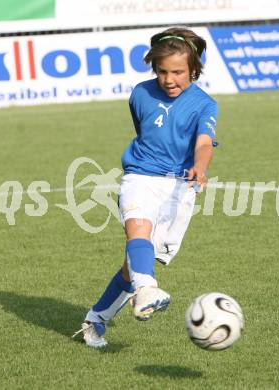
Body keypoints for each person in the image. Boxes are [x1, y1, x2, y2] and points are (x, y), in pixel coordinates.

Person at [73, 27, 218, 348]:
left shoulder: (205, 105)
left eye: (178, 72)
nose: (169, 79)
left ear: (194, 69)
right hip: (139, 176)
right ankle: (147, 288)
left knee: (133, 266)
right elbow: (147, 133)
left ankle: (95, 319)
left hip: (180, 187)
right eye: (163, 71)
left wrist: (200, 166)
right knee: (137, 231)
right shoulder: (140, 93)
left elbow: (204, 142)